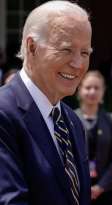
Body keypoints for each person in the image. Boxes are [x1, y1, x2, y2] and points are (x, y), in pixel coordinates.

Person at [0, 1, 92, 205]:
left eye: (85, 53)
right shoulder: (4, 114)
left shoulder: (72, 122)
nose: (78, 64)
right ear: (32, 47)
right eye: (66, 50)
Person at [75, 70, 112, 205]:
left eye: (97, 88)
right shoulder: (70, 119)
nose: (92, 92)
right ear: (80, 90)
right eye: (88, 87)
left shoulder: (111, 120)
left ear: (103, 91)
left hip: (105, 189)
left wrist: (101, 186)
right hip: (78, 189)